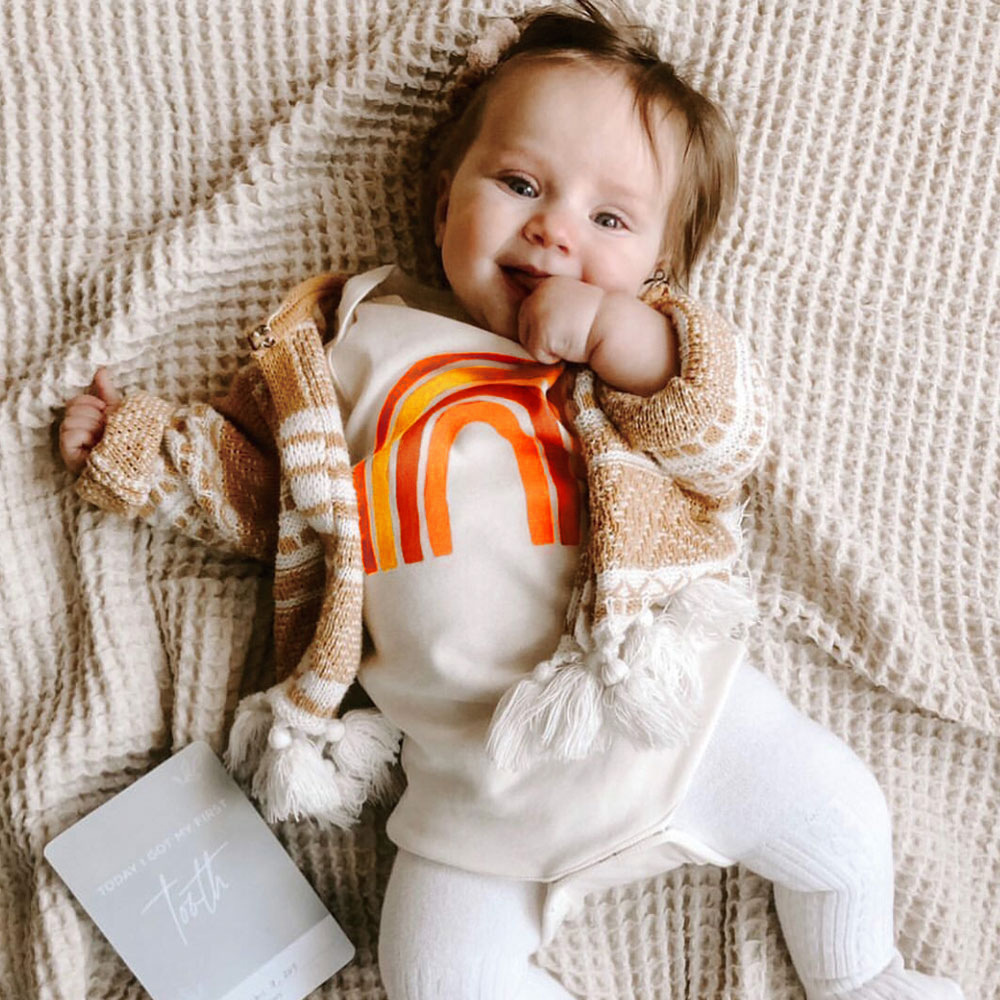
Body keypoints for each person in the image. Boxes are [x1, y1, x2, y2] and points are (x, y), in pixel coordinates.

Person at [58, 3, 964, 999]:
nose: (553, 227)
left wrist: (625, 335)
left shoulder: (630, 363)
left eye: (608, 219)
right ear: (444, 198)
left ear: (658, 266)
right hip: (475, 786)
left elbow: (726, 441)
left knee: (844, 820)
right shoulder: (348, 347)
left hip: (676, 718)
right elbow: (266, 499)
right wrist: (134, 449)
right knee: (431, 976)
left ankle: (864, 978)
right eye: (519, 183)